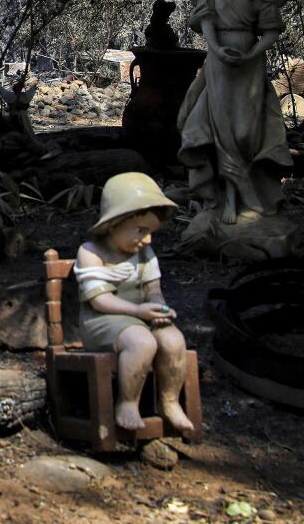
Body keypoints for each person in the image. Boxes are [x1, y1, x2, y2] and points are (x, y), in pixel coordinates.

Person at [176, 0, 293, 224]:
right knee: (223, 130)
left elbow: (271, 30)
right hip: (219, 59)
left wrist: (252, 52)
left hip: (249, 61)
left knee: (246, 132)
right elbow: (205, 26)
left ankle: (252, 191)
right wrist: (217, 50)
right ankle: (231, 198)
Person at [75, 172, 195, 434]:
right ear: (114, 223)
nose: (148, 239)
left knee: (173, 340)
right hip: (102, 321)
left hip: (140, 318)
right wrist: (138, 311)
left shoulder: (145, 254)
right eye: (141, 231)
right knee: (142, 342)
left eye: (151, 232)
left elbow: (154, 291)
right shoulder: (91, 252)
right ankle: (127, 402)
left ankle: (170, 402)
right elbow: (99, 300)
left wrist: (160, 309)